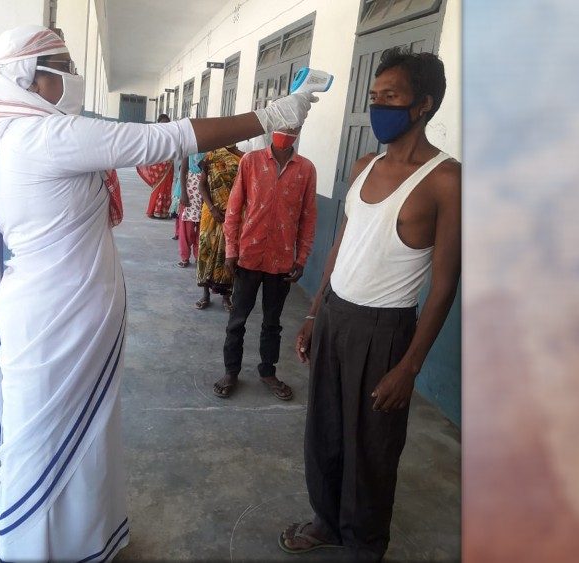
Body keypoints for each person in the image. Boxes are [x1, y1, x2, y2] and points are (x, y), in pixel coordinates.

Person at [0, 25, 317, 562]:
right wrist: (269, 116)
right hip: (57, 316)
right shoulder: (46, 137)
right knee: (43, 443)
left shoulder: (13, 131)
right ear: (31, 79)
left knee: (78, 438)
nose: (74, 76)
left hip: (61, 308)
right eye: (64, 67)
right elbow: (165, 139)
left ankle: (82, 542)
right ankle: (33, 551)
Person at [279, 48, 461, 560]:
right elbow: (342, 244)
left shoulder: (446, 180)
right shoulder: (364, 166)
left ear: (423, 104)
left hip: (385, 330)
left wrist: (409, 366)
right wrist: (314, 312)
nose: (379, 106)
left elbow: (445, 283)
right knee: (325, 432)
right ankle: (327, 522)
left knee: (373, 448)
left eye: (392, 96)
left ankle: (364, 545)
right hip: (335, 315)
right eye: (375, 96)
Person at [212, 127, 316, 400]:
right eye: (283, 124)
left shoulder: (306, 169)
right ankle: (231, 371)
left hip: (282, 261)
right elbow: (234, 208)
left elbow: (308, 217)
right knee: (237, 320)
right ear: (273, 127)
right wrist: (231, 250)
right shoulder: (251, 161)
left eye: (293, 126)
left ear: (299, 130)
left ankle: (268, 372)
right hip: (249, 255)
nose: (287, 130)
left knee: (272, 322)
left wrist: (302, 258)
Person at [195, 145, 243, 311]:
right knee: (206, 251)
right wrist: (212, 208)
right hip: (211, 213)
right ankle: (205, 294)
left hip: (234, 214)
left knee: (229, 254)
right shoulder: (211, 156)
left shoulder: (243, 159)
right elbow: (202, 186)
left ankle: (226, 296)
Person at [135, 114, 176, 219]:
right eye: (163, 123)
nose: (165, 125)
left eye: (167, 123)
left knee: (166, 187)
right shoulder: (154, 135)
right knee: (158, 187)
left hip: (169, 165)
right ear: (158, 124)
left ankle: (162, 211)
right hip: (158, 165)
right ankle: (154, 210)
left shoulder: (172, 135)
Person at [176, 152, 205, 267]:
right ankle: (185, 257)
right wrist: (183, 193)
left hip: (205, 195)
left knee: (202, 230)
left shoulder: (210, 151)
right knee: (186, 230)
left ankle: (199, 257)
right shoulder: (190, 151)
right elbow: (183, 172)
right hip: (190, 195)